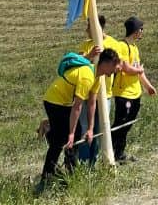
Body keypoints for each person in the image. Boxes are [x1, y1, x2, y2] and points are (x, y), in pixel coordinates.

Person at [37, 48, 121, 192]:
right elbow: (77, 107)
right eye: (115, 66)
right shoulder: (87, 76)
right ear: (106, 64)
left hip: (64, 103)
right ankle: (46, 178)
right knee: (60, 141)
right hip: (54, 101)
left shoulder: (97, 77)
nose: (116, 70)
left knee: (74, 137)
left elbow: (92, 104)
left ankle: (71, 174)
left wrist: (89, 129)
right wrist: (70, 133)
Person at [112, 16, 157, 163]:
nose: (142, 32)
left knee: (128, 123)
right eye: (141, 29)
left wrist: (148, 86)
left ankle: (119, 152)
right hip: (124, 94)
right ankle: (113, 152)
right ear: (136, 31)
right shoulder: (122, 46)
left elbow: (138, 70)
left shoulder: (135, 48)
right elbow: (126, 67)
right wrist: (138, 71)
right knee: (120, 124)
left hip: (135, 93)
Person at [77, 14, 121, 165]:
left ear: (97, 27)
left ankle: (98, 161)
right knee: (86, 129)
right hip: (86, 95)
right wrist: (89, 56)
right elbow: (79, 65)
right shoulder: (86, 45)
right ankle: (84, 162)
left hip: (105, 95)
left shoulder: (113, 44)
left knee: (101, 129)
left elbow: (119, 66)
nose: (86, 30)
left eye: (89, 26)